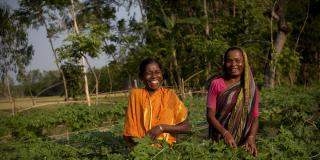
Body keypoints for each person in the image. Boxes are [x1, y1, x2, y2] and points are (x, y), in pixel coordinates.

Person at [123, 58, 191, 146]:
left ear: (161, 74)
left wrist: (162, 127)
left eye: (157, 72)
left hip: (165, 151)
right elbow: (130, 131)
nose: (154, 76)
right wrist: (141, 148)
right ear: (141, 77)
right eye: (148, 73)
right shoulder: (136, 95)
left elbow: (187, 127)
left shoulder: (169, 96)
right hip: (141, 150)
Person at [207, 47, 259, 156]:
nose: (233, 64)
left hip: (243, 143)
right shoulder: (216, 83)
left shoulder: (251, 87)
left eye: (238, 60)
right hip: (219, 141)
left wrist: (251, 137)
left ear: (244, 62)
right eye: (229, 61)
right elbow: (210, 115)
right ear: (224, 63)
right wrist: (225, 133)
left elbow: (255, 116)